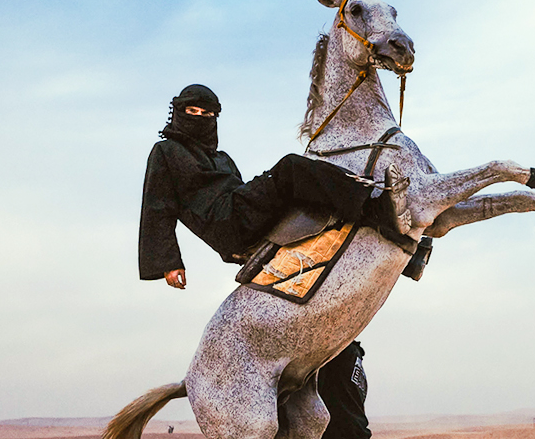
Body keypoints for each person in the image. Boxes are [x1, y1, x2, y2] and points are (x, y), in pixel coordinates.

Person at [139, 84, 411, 288]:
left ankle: (394, 246)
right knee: (291, 168)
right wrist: (169, 264)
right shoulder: (166, 152)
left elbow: (245, 192)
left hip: (239, 208)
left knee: (308, 195)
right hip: (225, 222)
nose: (199, 117)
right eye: (191, 112)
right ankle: (374, 206)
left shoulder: (221, 159)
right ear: (178, 113)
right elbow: (157, 207)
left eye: (206, 113)